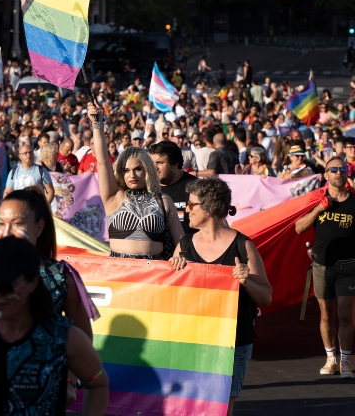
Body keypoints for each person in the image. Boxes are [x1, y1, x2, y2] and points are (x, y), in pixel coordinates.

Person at [0, 236, 109, 416]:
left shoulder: (64, 336)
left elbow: (98, 384)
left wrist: (70, 380)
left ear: (33, 283)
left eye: (5, 286)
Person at [171, 177, 272, 415]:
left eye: (192, 204)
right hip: (192, 339)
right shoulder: (184, 245)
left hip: (233, 341)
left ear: (209, 207)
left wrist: (246, 280)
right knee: (191, 404)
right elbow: (170, 297)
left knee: (223, 406)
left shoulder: (242, 245)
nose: (187, 209)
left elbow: (266, 296)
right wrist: (173, 272)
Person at [0, 189, 98, 340]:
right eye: (1, 224)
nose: (7, 233)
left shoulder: (62, 277)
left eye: (17, 224)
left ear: (39, 228)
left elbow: (84, 341)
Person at [87, 99, 184, 259]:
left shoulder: (164, 200)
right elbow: (103, 162)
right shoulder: (114, 197)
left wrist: (178, 256)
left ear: (147, 170)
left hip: (156, 276)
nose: (132, 175)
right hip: (119, 276)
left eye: (138, 169)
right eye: (126, 170)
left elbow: (181, 241)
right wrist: (97, 125)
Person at [294, 157, 355, 378]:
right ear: (326, 175)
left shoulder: (354, 202)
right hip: (321, 267)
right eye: (334, 170)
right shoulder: (317, 201)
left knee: (345, 315)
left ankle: (346, 361)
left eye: (343, 169)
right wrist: (319, 209)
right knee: (326, 315)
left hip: (348, 268)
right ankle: (331, 359)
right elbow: (298, 228)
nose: (339, 172)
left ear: (347, 174)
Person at [149, 141, 197, 235]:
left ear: (175, 164)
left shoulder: (196, 188)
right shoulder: (147, 188)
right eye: (151, 163)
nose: (154, 167)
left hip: (188, 247)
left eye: (160, 163)